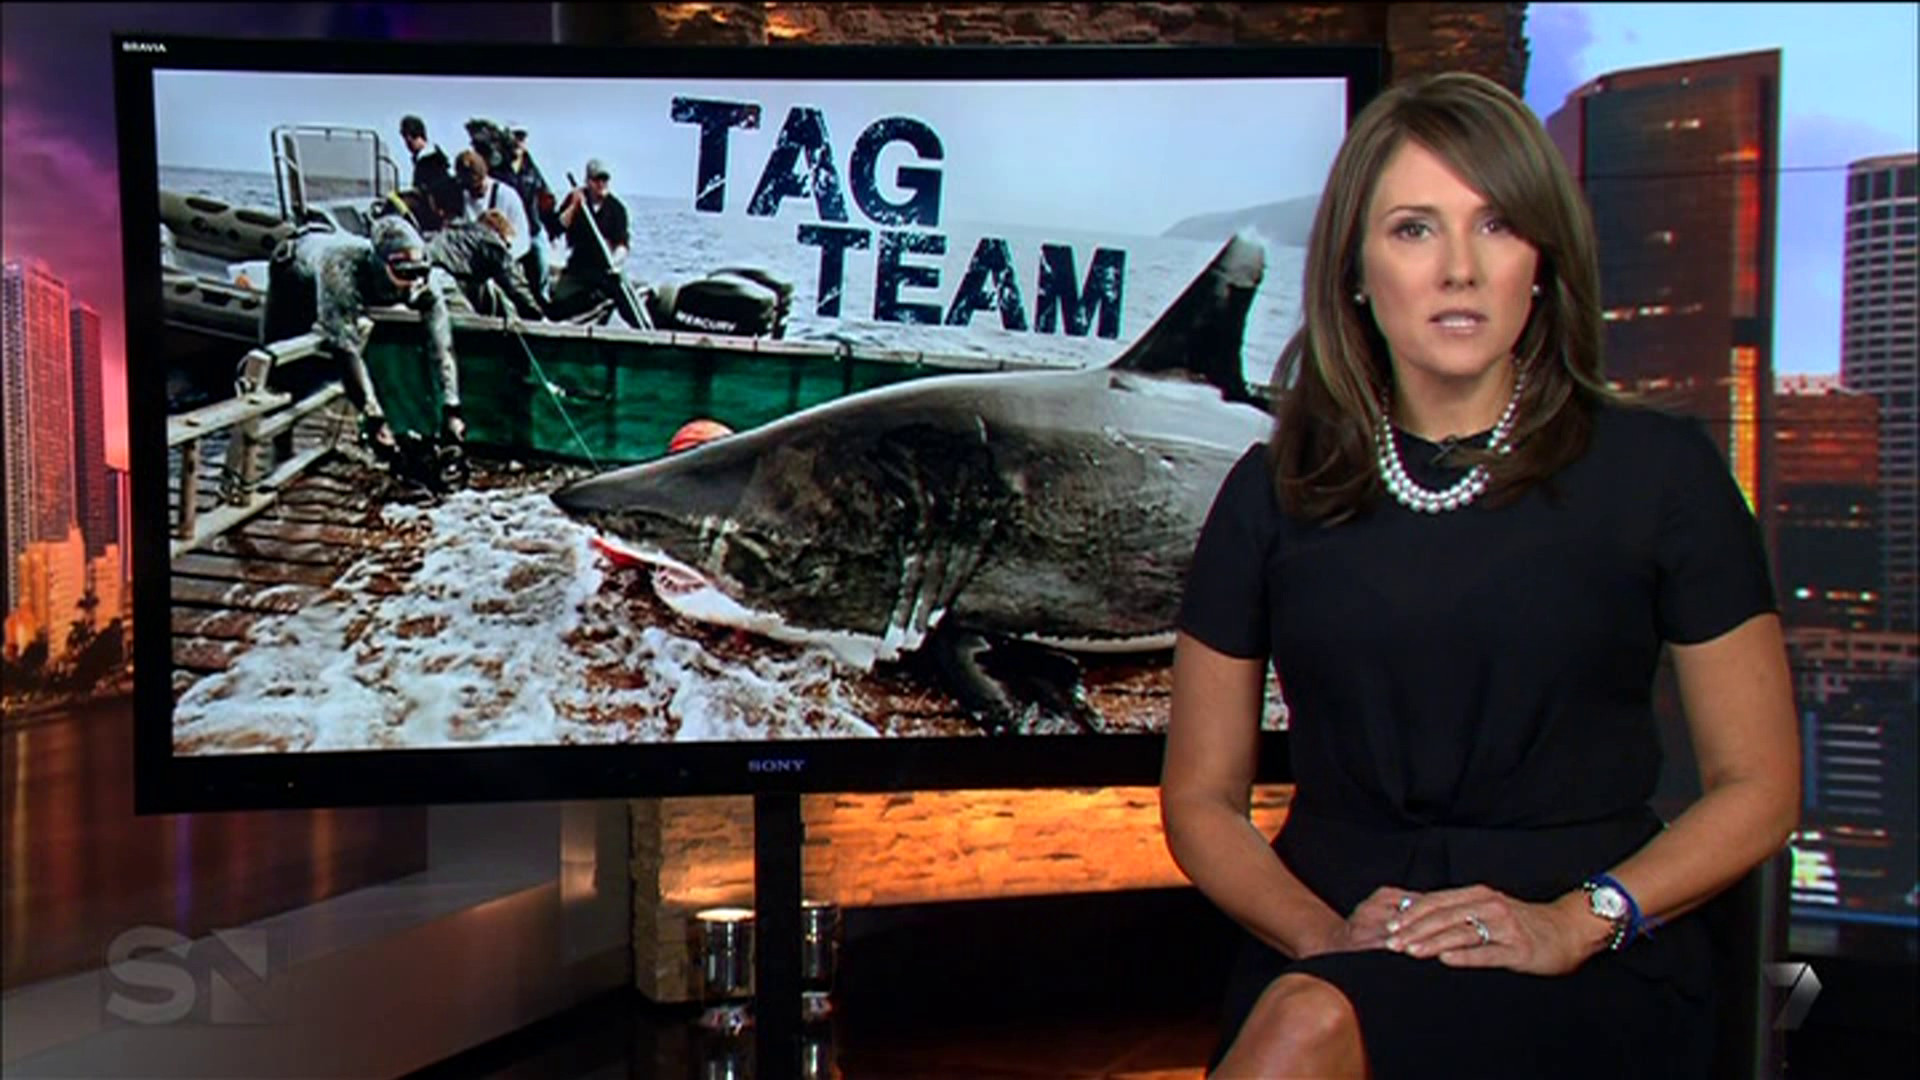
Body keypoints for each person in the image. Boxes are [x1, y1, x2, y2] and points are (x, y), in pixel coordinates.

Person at [1159, 72, 1798, 1080]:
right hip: (1329, 940)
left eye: (1495, 225)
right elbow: (1200, 799)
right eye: (1414, 229)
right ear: (1356, 271)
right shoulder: (1272, 490)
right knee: (1306, 1019)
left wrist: (1571, 923)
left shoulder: (1662, 474)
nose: (1458, 268)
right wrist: (1326, 941)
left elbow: (1759, 787)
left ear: (1540, 263)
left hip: (1586, 959)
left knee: (1303, 1031)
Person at [266, 216, 465, 458]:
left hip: (340, 263)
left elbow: (442, 345)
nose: (411, 282)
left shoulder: (426, 280)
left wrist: (452, 408)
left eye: (418, 273)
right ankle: (280, 446)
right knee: (285, 370)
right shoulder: (341, 264)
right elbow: (344, 344)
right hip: (296, 272)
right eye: (403, 273)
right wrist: (374, 417)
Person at [550, 157, 648, 329]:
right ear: (588, 181)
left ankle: (643, 329)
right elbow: (557, 228)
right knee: (558, 302)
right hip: (579, 267)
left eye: (604, 180)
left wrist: (615, 262)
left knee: (621, 294)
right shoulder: (576, 199)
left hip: (604, 270)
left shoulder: (616, 208)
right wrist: (574, 206)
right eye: (597, 180)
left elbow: (622, 244)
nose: (601, 184)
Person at [427, 208, 545, 320]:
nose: (507, 250)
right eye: (507, 245)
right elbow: (514, 283)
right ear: (499, 234)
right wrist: (536, 315)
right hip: (442, 282)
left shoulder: (456, 233)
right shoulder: (490, 240)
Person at [452, 149, 533, 271]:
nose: (473, 193)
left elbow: (523, 240)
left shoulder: (507, 195)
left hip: (504, 263)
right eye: (469, 188)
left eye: (477, 187)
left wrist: (504, 256)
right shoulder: (459, 198)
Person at [398, 115, 459, 232]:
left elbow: (429, 190)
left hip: (435, 219)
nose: (407, 146)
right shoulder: (435, 158)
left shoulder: (430, 162)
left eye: (409, 141)